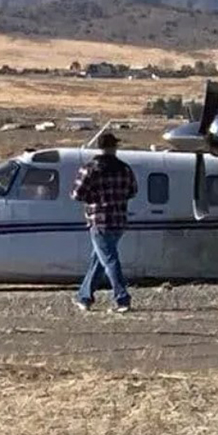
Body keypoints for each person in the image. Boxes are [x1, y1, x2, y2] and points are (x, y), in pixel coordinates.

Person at [70, 131, 138, 313]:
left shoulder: (89, 169)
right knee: (99, 259)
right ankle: (84, 296)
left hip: (99, 220)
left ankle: (122, 298)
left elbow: (76, 194)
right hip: (119, 220)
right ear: (114, 147)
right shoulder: (125, 169)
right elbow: (133, 191)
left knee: (109, 260)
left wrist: (94, 198)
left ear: (98, 147)